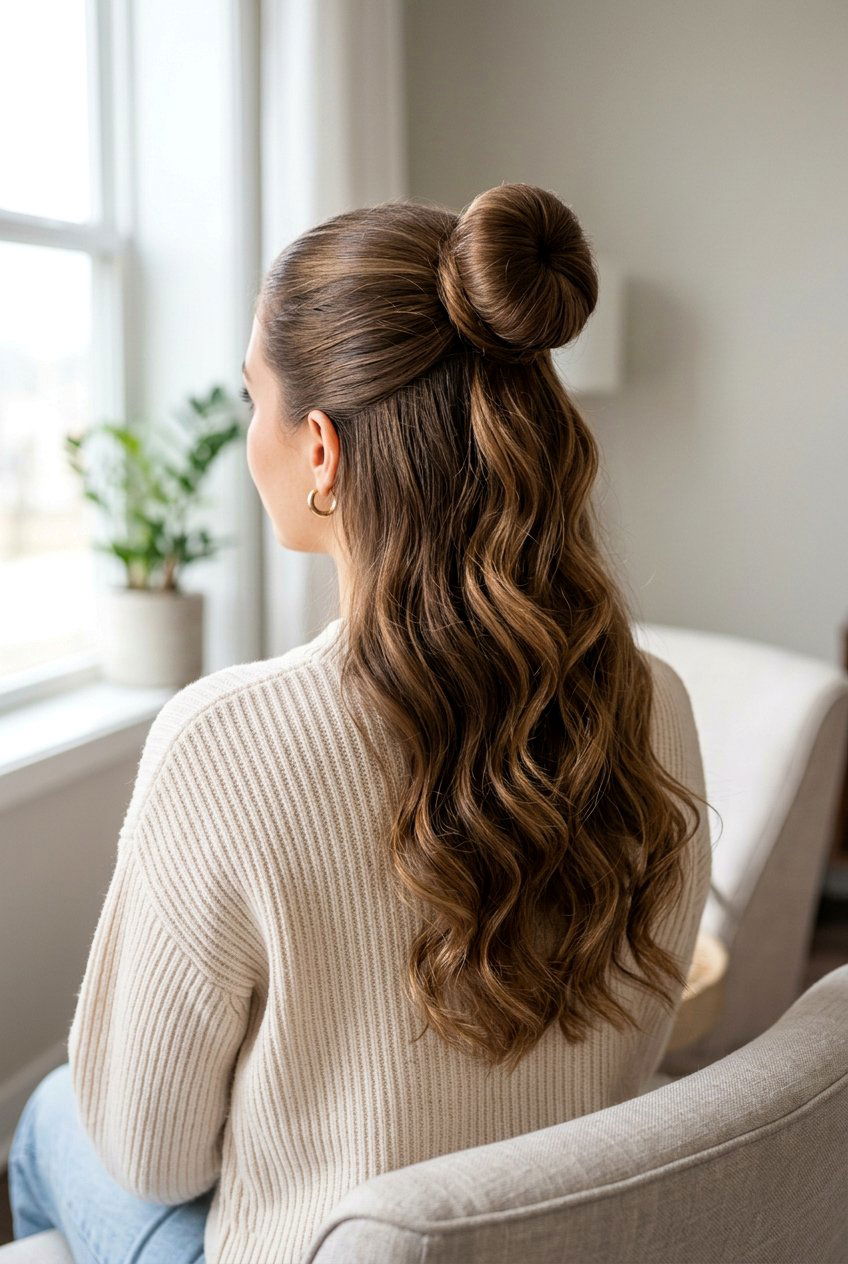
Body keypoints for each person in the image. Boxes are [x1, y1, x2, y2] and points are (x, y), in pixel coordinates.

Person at [9, 183, 712, 1264]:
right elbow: (643, 1038)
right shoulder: (652, 700)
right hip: (567, 1236)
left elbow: (153, 1160)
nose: (251, 436)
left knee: (51, 1121)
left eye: (253, 400)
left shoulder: (224, 745)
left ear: (322, 450)